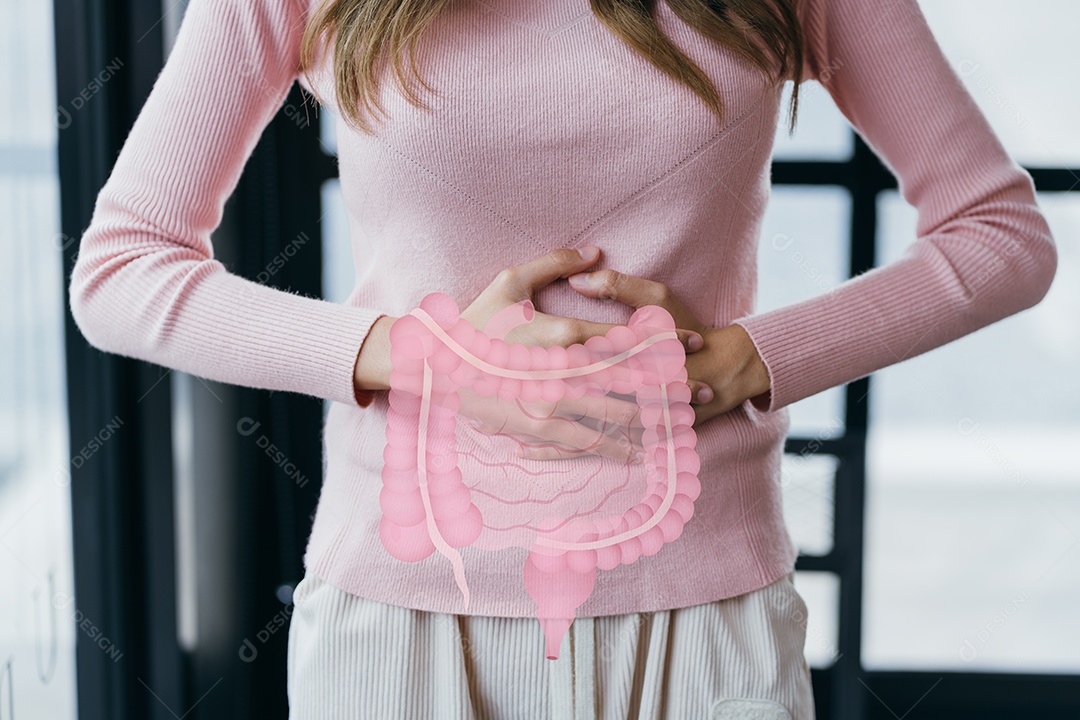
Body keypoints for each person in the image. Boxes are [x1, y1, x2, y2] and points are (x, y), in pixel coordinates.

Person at [68, 0, 1058, 717]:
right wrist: (422, 358)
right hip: (404, 622)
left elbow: (1000, 235)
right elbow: (121, 270)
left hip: (702, 613)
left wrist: (745, 362)